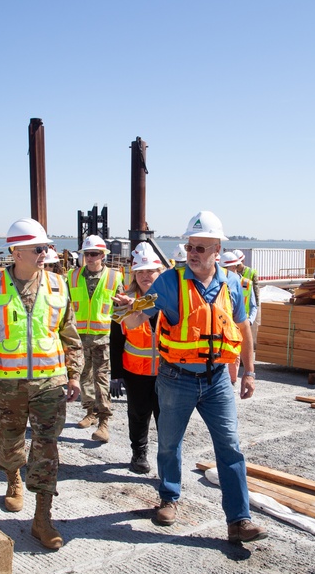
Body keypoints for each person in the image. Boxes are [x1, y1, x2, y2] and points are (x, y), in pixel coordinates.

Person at [116, 210, 267, 545]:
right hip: (176, 378)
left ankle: (239, 520)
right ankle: (169, 498)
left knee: (230, 446)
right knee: (170, 443)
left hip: (216, 381)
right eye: (190, 246)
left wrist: (249, 371)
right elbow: (139, 315)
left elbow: (243, 328)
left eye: (201, 247)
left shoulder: (232, 284)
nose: (193, 253)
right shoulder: (169, 282)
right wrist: (125, 312)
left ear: (217, 250)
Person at [0, 218, 83, 550]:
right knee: (8, 442)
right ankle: (13, 478)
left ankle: (42, 518)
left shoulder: (59, 285)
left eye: (47, 247)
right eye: (38, 248)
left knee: (47, 449)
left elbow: (69, 336)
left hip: (49, 384)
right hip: (4, 385)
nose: (45, 253)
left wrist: (73, 374)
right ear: (16, 252)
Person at [109, 242, 164, 474]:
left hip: (167, 372)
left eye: (149, 271)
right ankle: (138, 454)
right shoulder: (123, 300)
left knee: (166, 420)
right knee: (138, 415)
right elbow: (116, 339)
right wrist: (117, 375)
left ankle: (167, 460)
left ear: (159, 272)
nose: (145, 276)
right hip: (136, 372)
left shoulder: (169, 298)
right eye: (140, 271)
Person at [68, 235, 124, 442]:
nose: (89, 258)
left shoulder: (114, 277)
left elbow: (120, 309)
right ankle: (89, 412)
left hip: (102, 337)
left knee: (101, 379)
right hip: (79, 338)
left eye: (93, 254)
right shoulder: (72, 277)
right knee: (83, 377)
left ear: (102, 255)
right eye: (86, 254)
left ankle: (103, 422)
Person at [220, 250, 259, 384]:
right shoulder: (217, 283)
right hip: (224, 327)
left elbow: (254, 305)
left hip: (241, 325)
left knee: (235, 355)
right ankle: (228, 381)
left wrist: (249, 321)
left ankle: (232, 381)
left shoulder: (246, 283)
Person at [232, 249, 261, 345]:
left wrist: (255, 309)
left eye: (238, 265)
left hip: (246, 313)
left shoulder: (251, 273)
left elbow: (255, 291)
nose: (236, 267)